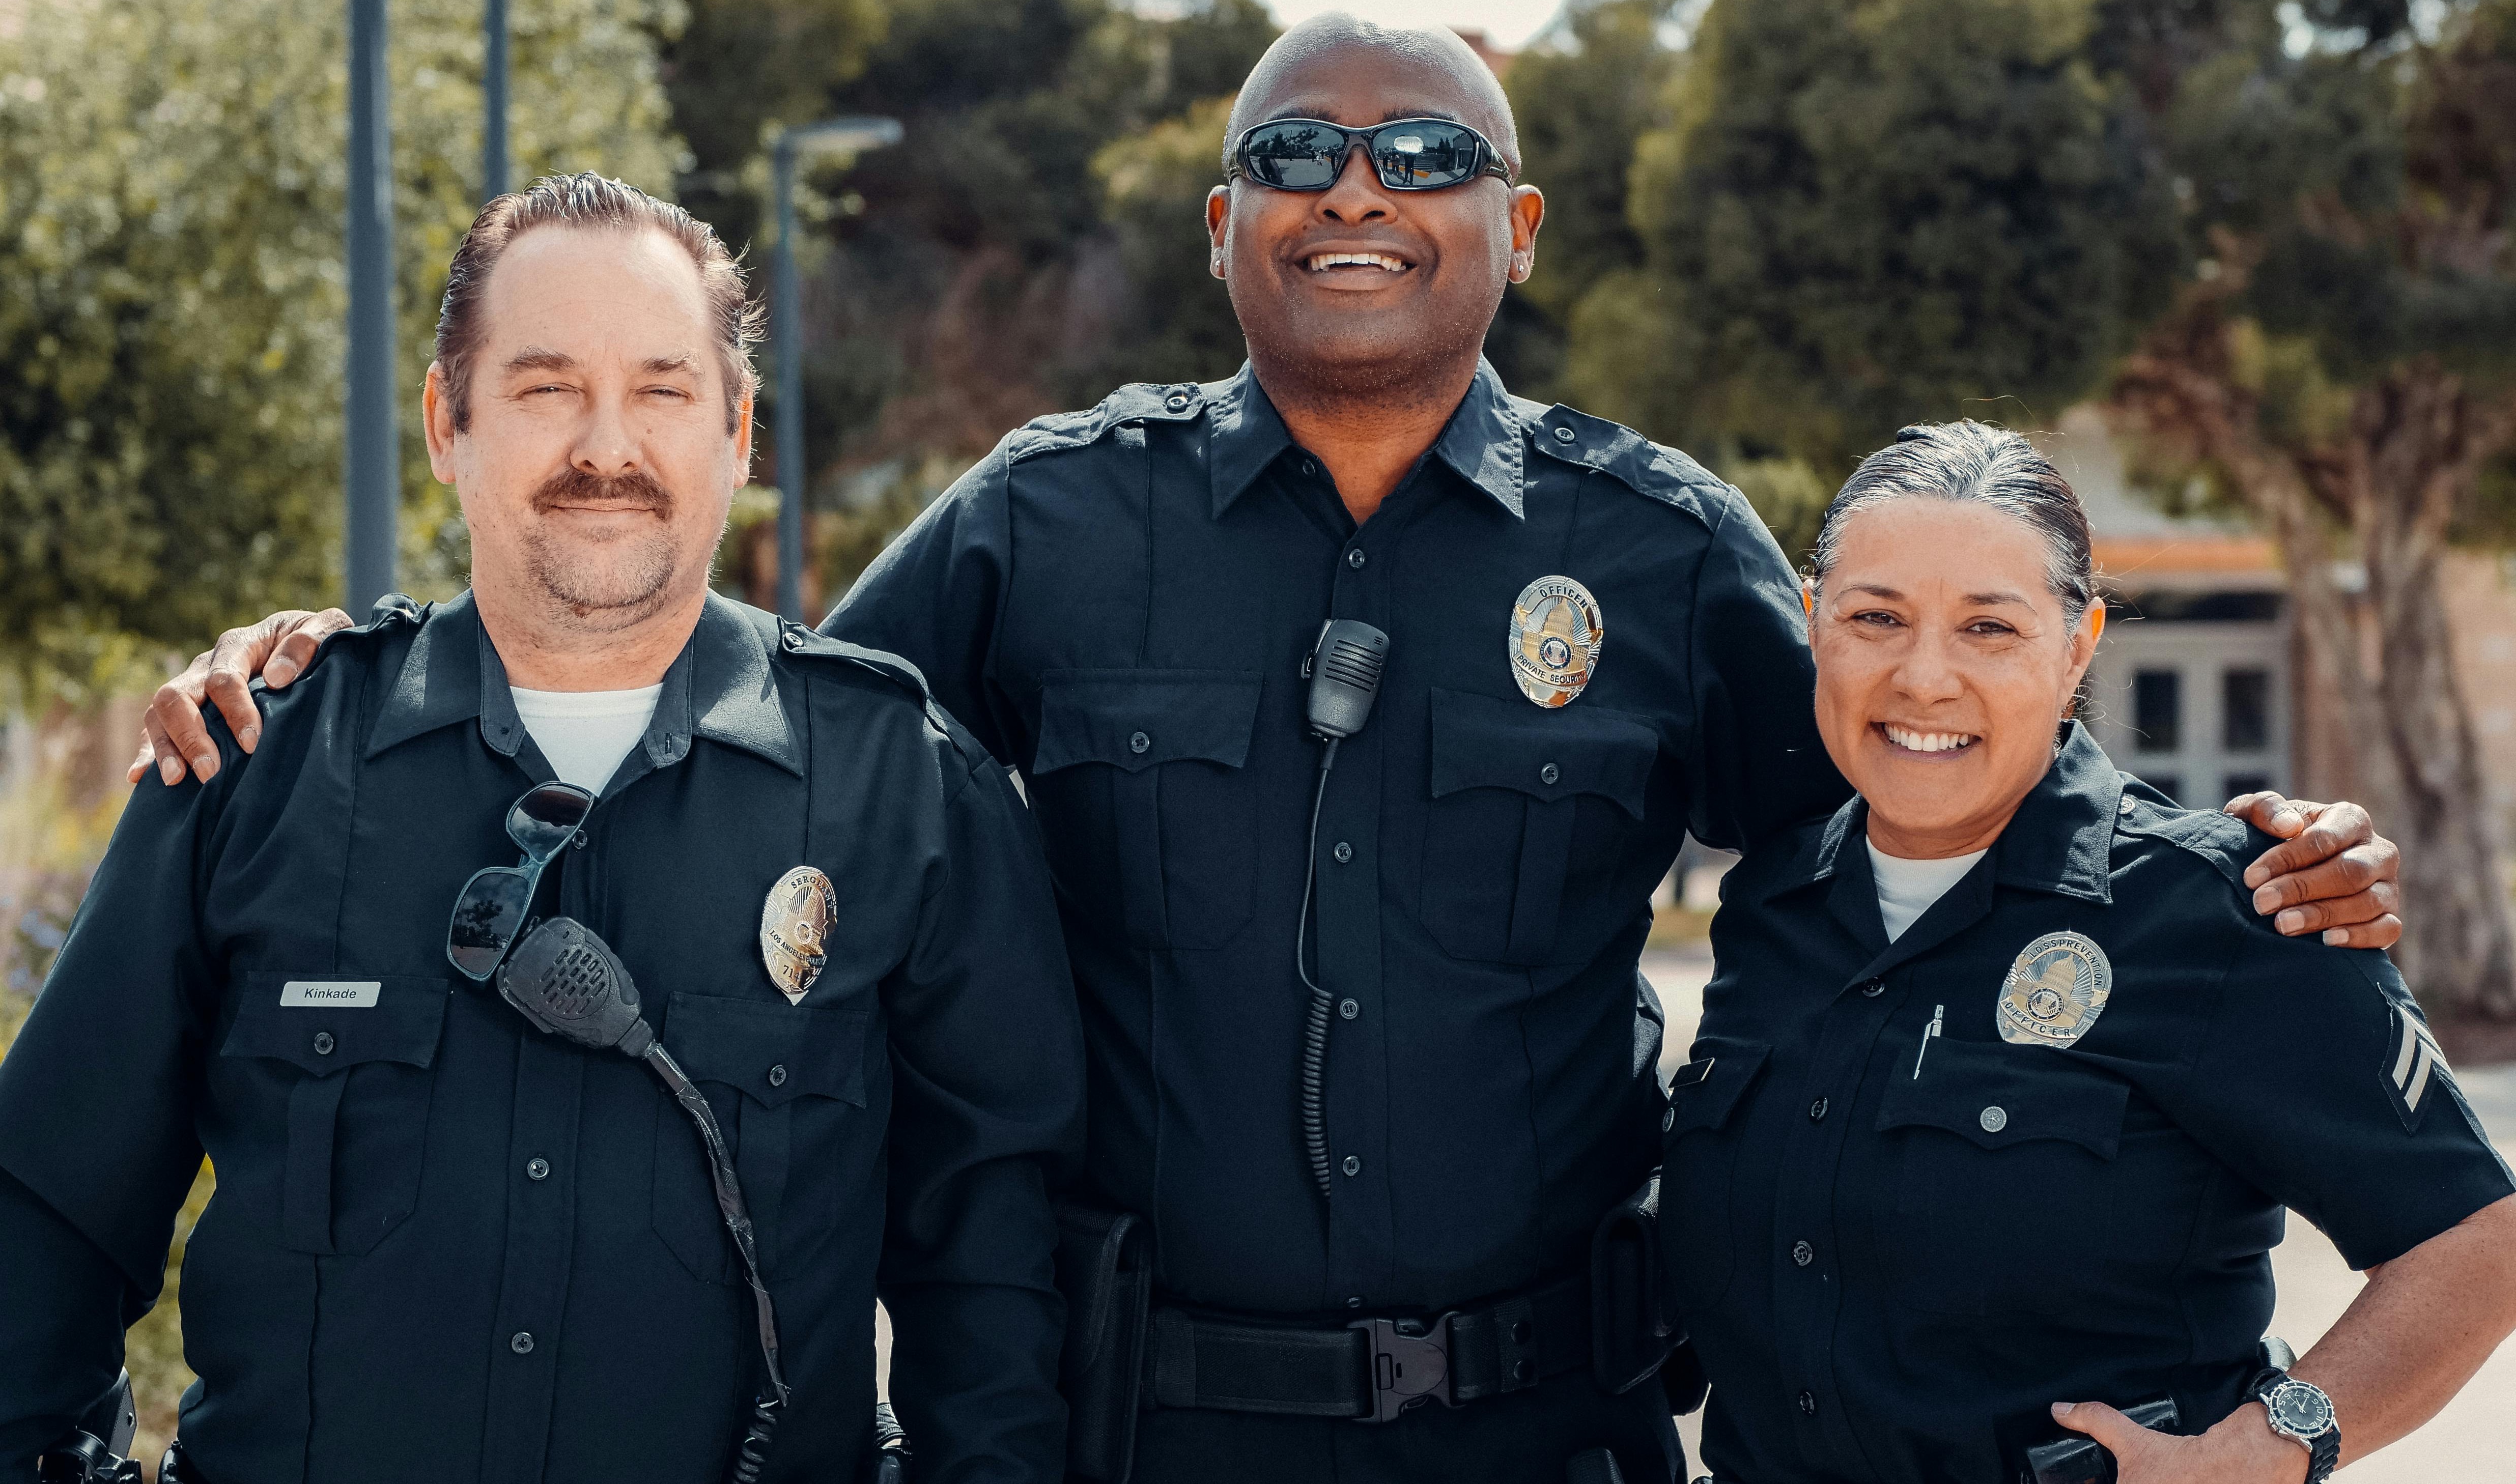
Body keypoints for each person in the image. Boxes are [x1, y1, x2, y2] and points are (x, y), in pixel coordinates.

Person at [124, 19, 2409, 1484]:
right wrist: (369, 668)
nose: (1354, 185)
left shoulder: (1658, 548)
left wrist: (2230, 874)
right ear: (1223, 223)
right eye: (1293, 150)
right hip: (1151, 1436)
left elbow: (1936, 807)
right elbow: (740, 753)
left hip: (1551, 1432)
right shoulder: (1041, 520)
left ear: (1509, 223)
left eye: (1424, 148)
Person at [0, 174, 1083, 1484]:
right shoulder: (257, 764)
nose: (606, 444)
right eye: (543, 386)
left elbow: (992, 1297)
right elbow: (38, 1248)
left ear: (739, 433)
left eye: (662, 388)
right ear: (444, 423)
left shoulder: (905, 797)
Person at [1659, 421, 2516, 1484]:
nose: (1926, 678)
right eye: (1876, 618)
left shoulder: (2224, 908)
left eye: (1990, 628)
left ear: (2078, 647)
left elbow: (2476, 1240)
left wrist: (2271, 1446)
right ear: (1812, 624)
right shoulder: (1772, 907)